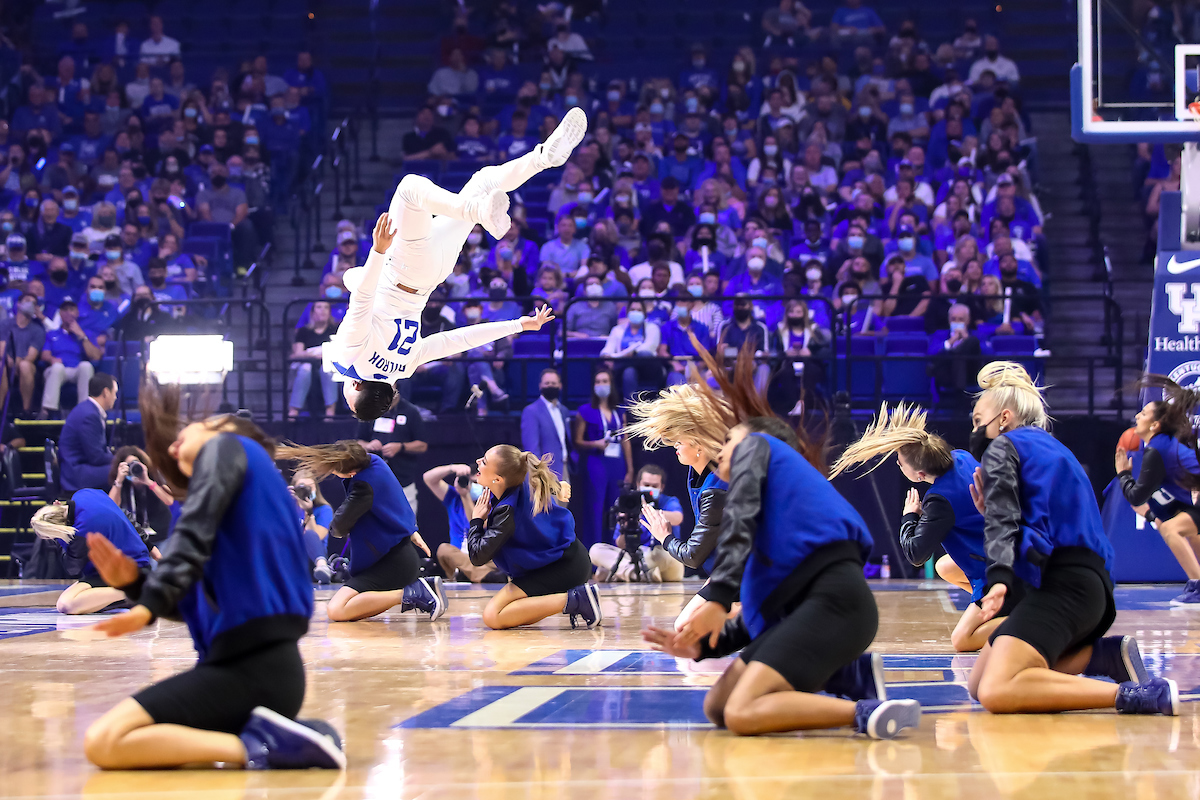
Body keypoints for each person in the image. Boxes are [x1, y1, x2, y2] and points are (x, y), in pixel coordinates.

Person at [641, 343, 919, 738]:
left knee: (742, 713)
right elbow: (759, 616)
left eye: (731, 436)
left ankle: (864, 712)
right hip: (806, 612)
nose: (725, 443)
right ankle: (849, 674)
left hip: (836, 606)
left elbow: (740, 521)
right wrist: (701, 649)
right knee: (717, 706)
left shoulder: (758, 448)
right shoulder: (776, 521)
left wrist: (718, 595)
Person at [80, 381, 345, 770]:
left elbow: (189, 535)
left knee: (104, 741)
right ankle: (269, 740)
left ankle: (265, 746)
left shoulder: (228, 447)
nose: (172, 449)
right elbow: (191, 604)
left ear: (222, 426)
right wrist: (135, 585)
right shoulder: (239, 511)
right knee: (106, 741)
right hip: (255, 670)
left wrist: (148, 603)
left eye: (182, 438)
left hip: (252, 668)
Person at [326, 108, 588, 421]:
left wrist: (519, 325)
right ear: (355, 386)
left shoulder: (403, 368)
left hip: (433, 274)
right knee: (411, 188)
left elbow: (459, 339)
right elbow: (363, 297)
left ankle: (543, 157)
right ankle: (476, 209)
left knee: (483, 181)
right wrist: (379, 252)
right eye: (349, 400)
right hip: (403, 269)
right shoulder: (352, 355)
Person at [964, 362, 1173, 715]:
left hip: (1066, 586)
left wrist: (998, 578)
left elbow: (1005, 521)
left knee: (996, 689)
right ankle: (1106, 656)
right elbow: (1036, 526)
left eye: (977, 419)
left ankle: (1137, 696)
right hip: (1091, 586)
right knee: (978, 682)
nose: (974, 429)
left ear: (1003, 418)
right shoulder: (1049, 448)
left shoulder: (1004, 448)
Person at [829, 403, 1009, 652]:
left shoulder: (939, 499)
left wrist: (909, 517)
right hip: (1003, 549)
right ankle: (998, 607)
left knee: (962, 640)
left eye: (901, 463)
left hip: (994, 564)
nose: (899, 466)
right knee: (944, 566)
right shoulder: (962, 457)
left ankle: (1018, 619)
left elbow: (916, 554)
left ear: (920, 474)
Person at [278, 441, 445, 622]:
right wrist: (411, 529)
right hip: (398, 556)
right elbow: (397, 499)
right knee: (346, 608)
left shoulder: (363, 488)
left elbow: (338, 528)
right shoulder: (376, 461)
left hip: (390, 564)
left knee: (336, 610)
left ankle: (414, 592)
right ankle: (422, 589)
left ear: (351, 473)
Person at [624, 382, 730, 628]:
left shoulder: (717, 488)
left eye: (680, 442)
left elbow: (693, 556)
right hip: (729, 570)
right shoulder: (698, 472)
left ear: (699, 445)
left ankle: (757, 613)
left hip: (751, 571)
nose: (674, 446)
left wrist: (665, 536)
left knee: (689, 629)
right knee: (683, 627)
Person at [467, 444, 602, 629]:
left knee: (493, 616)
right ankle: (578, 599)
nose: (477, 462)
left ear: (497, 479)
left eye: (483, 461)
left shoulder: (506, 511)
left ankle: (579, 599)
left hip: (564, 568)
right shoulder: (518, 481)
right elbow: (547, 483)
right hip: (569, 560)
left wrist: (476, 520)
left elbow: (477, 556)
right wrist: (559, 487)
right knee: (508, 613)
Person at [1116, 375, 1200, 605]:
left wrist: (1123, 473)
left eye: (1142, 414)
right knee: (1178, 526)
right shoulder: (1164, 445)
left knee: (1173, 528)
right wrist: (1152, 515)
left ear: (1154, 425)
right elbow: (1172, 505)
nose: (1136, 416)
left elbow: (1137, 495)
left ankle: (1198, 587)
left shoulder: (1157, 449)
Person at [32, 489, 152, 614]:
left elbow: (73, 569)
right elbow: (122, 513)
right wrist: (150, 546)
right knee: (68, 601)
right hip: (129, 566)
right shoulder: (84, 494)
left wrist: (63, 541)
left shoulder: (80, 532)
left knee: (66, 605)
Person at [589, 465, 685, 583]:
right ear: (638, 484)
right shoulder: (629, 504)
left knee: (668, 555)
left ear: (662, 487)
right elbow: (620, 545)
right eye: (646, 484)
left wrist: (646, 510)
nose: (649, 488)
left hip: (658, 556)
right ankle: (637, 574)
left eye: (654, 486)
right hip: (633, 557)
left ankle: (619, 572)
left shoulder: (668, 501)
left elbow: (678, 518)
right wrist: (627, 523)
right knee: (596, 550)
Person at [574, 368, 633, 548]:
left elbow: (625, 440)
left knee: (615, 510)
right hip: (596, 462)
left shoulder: (619, 411)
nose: (601, 385)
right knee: (595, 509)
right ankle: (592, 556)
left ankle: (613, 553)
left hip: (617, 463)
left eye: (605, 381)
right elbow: (577, 441)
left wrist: (630, 469)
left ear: (611, 384)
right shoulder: (585, 411)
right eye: (598, 382)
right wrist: (595, 444)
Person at [424, 462, 504, 583]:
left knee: (501, 555)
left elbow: (478, 524)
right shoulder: (453, 497)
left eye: (476, 483)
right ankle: (481, 575)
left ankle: (470, 574)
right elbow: (428, 478)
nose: (472, 486)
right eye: (470, 482)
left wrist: (465, 496)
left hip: (484, 556)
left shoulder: (493, 501)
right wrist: (452, 468)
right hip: (460, 556)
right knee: (443, 549)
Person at [355, 395, 428, 515]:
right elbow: (358, 442)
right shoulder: (369, 409)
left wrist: (401, 447)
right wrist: (369, 445)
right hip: (373, 482)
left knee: (407, 525)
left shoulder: (410, 411)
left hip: (403, 480)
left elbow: (422, 445)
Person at [40, 298, 103, 419]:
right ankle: (48, 411)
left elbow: (96, 356)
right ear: (60, 313)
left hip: (76, 371)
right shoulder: (52, 334)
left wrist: (81, 336)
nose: (68, 313)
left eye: (72, 309)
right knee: (57, 368)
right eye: (65, 310)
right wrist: (52, 359)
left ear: (77, 313)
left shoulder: (86, 334)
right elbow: (44, 354)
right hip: (57, 370)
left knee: (86, 366)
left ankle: (85, 410)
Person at [59, 372, 117, 493]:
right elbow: (96, 457)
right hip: (76, 474)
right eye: (115, 393)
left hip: (79, 468)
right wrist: (121, 459)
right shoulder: (89, 415)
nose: (115, 397)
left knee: (123, 469)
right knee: (124, 471)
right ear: (106, 392)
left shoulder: (87, 409)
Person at [108, 445, 175, 546]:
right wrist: (119, 481)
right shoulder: (122, 484)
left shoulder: (153, 475)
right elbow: (111, 507)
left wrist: (148, 481)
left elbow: (169, 500)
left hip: (161, 532)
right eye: (129, 465)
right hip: (135, 536)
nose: (133, 467)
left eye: (136, 463)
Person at [289, 299, 338, 419]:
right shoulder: (304, 331)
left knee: (327, 369)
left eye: (326, 307)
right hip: (308, 364)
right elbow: (297, 354)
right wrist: (314, 355)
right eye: (319, 307)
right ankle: (293, 410)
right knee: (305, 369)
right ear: (312, 312)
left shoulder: (335, 330)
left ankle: (330, 410)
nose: (323, 311)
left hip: (328, 363)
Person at [521, 368, 571, 481]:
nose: (550, 386)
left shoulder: (563, 411)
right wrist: (539, 473)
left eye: (553, 383)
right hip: (545, 472)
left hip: (564, 468)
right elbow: (532, 448)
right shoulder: (531, 411)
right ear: (540, 386)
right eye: (547, 383)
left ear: (560, 385)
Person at [290, 470, 334, 584]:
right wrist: (281, 500)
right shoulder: (287, 509)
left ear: (316, 489)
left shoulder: (324, 510)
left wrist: (308, 512)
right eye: (301, 487)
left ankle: (322, 567)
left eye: (310, 487)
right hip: (290, 557)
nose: (306, 491)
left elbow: (317, 537)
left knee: (309, 534)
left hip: (311, 560)